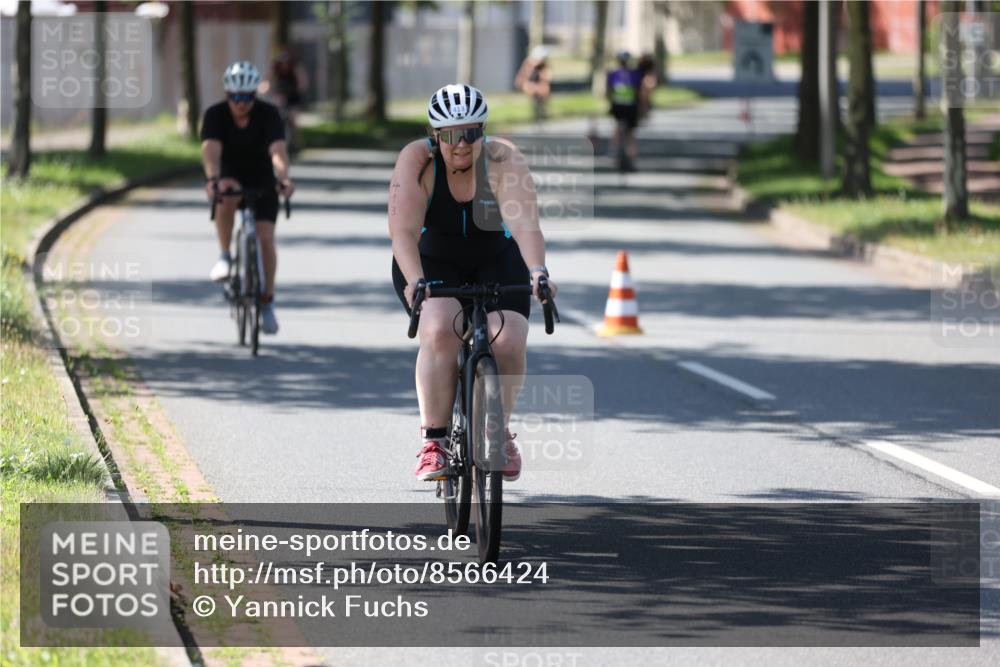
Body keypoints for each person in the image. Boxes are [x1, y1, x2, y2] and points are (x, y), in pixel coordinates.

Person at [388, 84, 558, 482]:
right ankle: (434, 442)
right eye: (450, 135)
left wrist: (538, 271)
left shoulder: (503, 159)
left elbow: (526, 226)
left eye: (470, 133)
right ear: (435, 137)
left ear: (482, 132)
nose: (461, 144)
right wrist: (416, 282)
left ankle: (496, 431)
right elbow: (402, 233)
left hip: (495, 258)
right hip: (431, 259)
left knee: (509, 339)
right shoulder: (416, 161)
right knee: (438, 328)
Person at [201, 61, 295, 335]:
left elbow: (278, 151)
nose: (241, 103)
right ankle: (225, 256)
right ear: (227, 95)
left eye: (247, 97)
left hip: (262, 178)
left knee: (266, 238)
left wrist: (284, 178)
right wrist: (212, 180)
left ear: (255, 95)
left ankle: (267, 301)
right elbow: (211, 151)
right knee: (226, 194)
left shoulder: (269, 114)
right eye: (235, 98)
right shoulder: (215, 115)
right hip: (230, 174)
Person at [260, 45, 308, 153]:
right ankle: (272, 139)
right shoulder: (275, 66)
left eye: (286, 61)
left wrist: (300, 89)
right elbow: (266, 80)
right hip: (280, 94)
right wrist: (263, 88)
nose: (284, 64)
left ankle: (297, 143)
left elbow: (302, 81)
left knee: (294, 119)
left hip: (293, 96)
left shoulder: (295, 66)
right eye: (282, 61)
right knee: (274, 111)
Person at [606, 50, 642, 171]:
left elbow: (608, 91)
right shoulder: (635, 74)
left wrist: (610, 103)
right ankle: (632, 158)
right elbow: (639, 92)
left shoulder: (612, 73)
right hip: (631, 106)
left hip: (617, 106)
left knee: (617, 128)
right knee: (631, 134)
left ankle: (615, 153)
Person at [514, 45, 552, 121]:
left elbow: (546, 79)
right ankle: (538, 111)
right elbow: (520, 81)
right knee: (533, 88)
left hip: (537, 87)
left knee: (544, 89)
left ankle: (542, 111)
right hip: (528, 85)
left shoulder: (542, 65)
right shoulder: (529, 64)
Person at [636, 53, 658, 121]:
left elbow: (652, 75)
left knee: (646, 97)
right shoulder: (641, 65)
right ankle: (643, 110)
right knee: (643, 97)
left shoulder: (650, 65)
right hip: (642, 80)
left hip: (647, 79)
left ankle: (645, 110)